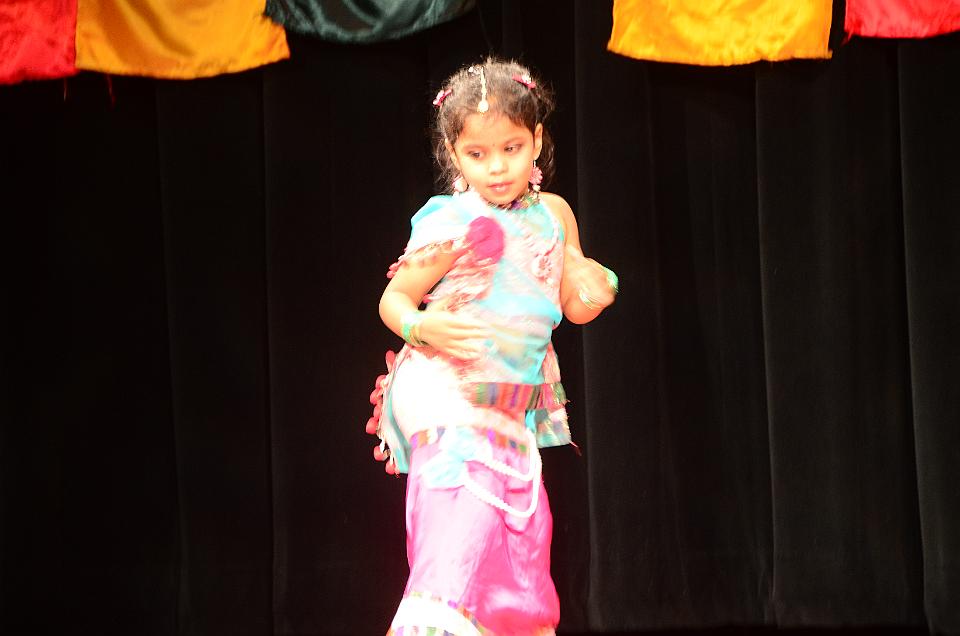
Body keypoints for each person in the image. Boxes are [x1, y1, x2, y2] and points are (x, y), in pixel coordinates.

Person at [366, 58, 617, 635]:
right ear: (453, 154)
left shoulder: (555, 214)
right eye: (477, 154)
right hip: (446, 392)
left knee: (520, 534)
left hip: (509, 404)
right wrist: (421, 327)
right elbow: (395, 299)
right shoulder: (449, 219)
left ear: (537, 142)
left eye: (511, 148)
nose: (497, 167)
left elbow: (572, 303)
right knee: (462, 520)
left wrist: (599, 288)